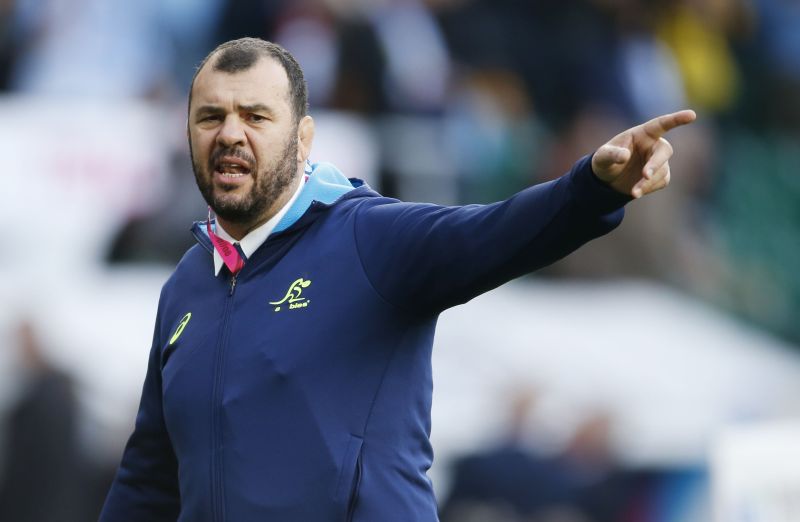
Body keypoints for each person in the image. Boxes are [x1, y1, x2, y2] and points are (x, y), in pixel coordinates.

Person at [99, 37, 695, 522]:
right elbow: (150, 479)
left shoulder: (367, 239)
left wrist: (591, 188)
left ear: (303, 138)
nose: (231, 133)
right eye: (211, 117)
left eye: (256, 116)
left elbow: (495, 235)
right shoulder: (185, 285)